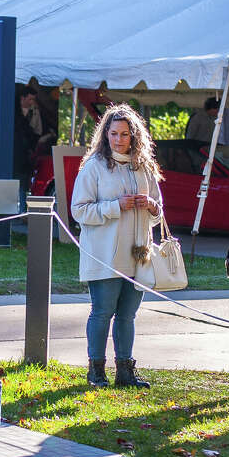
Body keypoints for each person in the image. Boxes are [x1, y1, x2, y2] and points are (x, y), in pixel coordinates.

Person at [71, 104, 164, 389]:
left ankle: (125, 371)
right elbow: (78, 211)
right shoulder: (94, 167)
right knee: (102, 312)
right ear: (105, 134)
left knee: (128, 315)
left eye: (124, 134)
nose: (119, 139)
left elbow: (159, 212)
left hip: (137, 255)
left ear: (134, 137)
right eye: (113, 133)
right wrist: (115, 207)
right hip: (104, 256)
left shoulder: (144, 167)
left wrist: (149, 205)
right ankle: (95, 371)